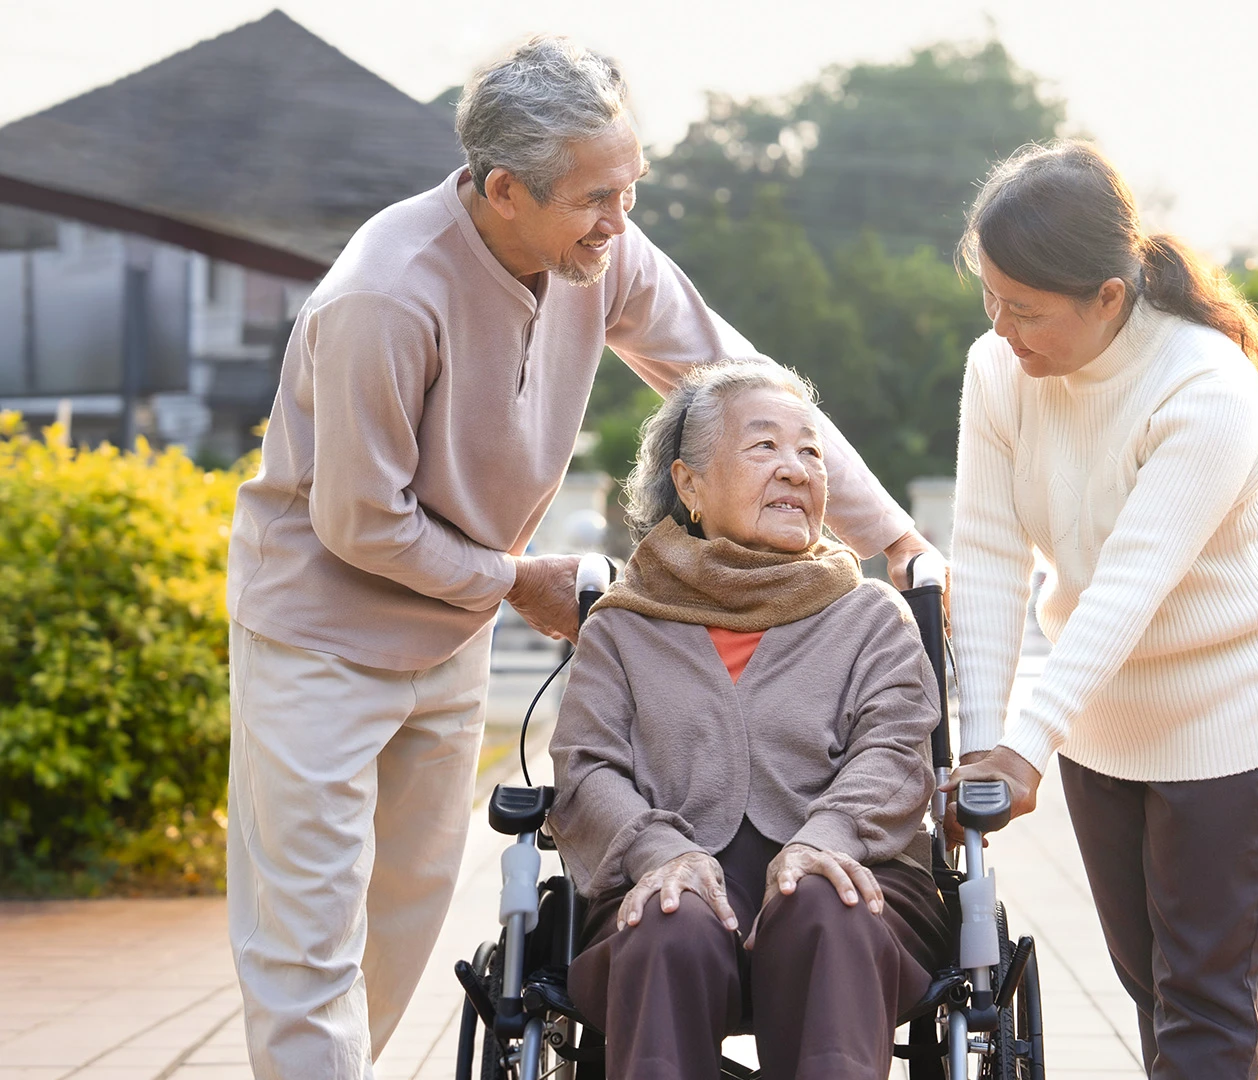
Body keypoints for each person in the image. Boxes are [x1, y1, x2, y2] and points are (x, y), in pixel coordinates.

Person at [222, 37, 935, 1079]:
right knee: (308, 933)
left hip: (450, 628)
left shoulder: (600, 256)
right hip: (325, 633)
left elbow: (733, 377)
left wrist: (895, 538)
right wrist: (517, 580)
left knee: (401, 919)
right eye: (597, 197)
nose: (619, 219)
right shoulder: (384, 297)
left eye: (630, 188)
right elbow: (361, 522)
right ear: (503, 190)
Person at [941, 140, 1258, 1079]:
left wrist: (1026, 747)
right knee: (1149, 984)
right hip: (1102, 724)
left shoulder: (1205, 389)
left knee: (1204, 1005)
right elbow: (987, 556)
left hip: (1224, 719)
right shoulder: (998, 371)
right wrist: (981, 748)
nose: (1003, 329)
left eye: (1027, 310)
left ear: (1108, 295)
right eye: (991, 300)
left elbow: (1129, 590)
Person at [548, 360, 951, 1079]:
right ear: (690, 485)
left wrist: (826, 840)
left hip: (861, 878)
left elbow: (895, 751)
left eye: (811, 451)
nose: (796, 468)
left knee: (822, 900)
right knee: (668, 916)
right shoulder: (624, 625)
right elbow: (586, 770)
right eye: (765, 446)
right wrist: (658, 854)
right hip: (660, 874)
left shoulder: (870, 617)